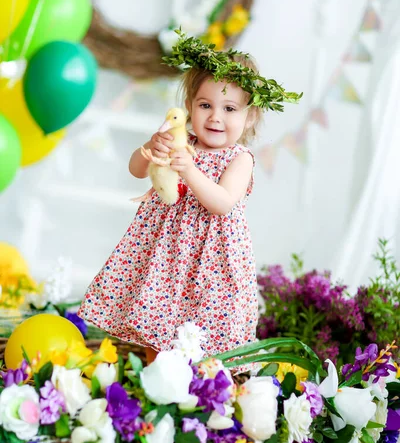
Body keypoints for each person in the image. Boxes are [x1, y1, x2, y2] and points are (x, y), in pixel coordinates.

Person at [78, 32, 301, 364]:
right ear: (189, 106)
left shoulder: (239, 159)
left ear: (249, 116)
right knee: (157, 312)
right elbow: (137, 171)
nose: (215, 117)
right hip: (165, 250)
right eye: (205, 105)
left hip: (212, 258)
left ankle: (200, 380)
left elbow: (223, 202)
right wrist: (150, 149)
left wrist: (190, 171)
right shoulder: (180, 140)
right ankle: (156, 373)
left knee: (202, 325)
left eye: (229, 109)